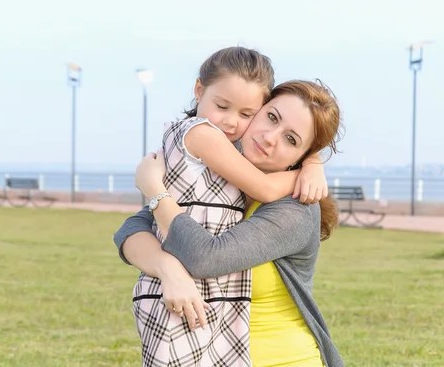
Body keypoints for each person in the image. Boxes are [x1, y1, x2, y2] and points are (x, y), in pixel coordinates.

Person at [114, 79, 345, 366]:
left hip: (282, 359)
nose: (270, 137)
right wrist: (167, 267)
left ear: (302, 156)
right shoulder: (218, 175)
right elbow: (132, 230)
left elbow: (205, 257)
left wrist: (154, 189)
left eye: (291, 139)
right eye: (271, 117)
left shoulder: (295, 209)